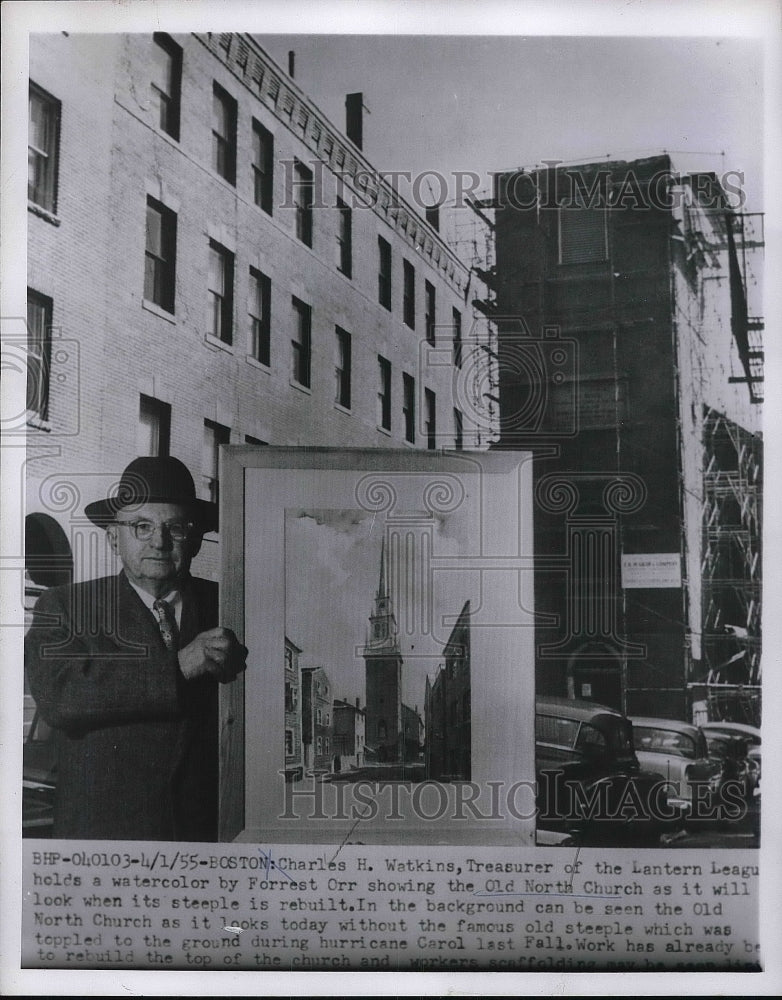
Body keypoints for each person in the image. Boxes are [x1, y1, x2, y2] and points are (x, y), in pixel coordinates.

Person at [24, 456, 247, 841]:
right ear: (114, 538)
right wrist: (178, 668)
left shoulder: (231, 609)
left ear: (195, 540)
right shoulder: (65, 608)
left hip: (207, 846)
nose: (158, 541)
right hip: (105, 850)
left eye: (174, 528)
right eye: (141, 526)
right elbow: (61, 699)